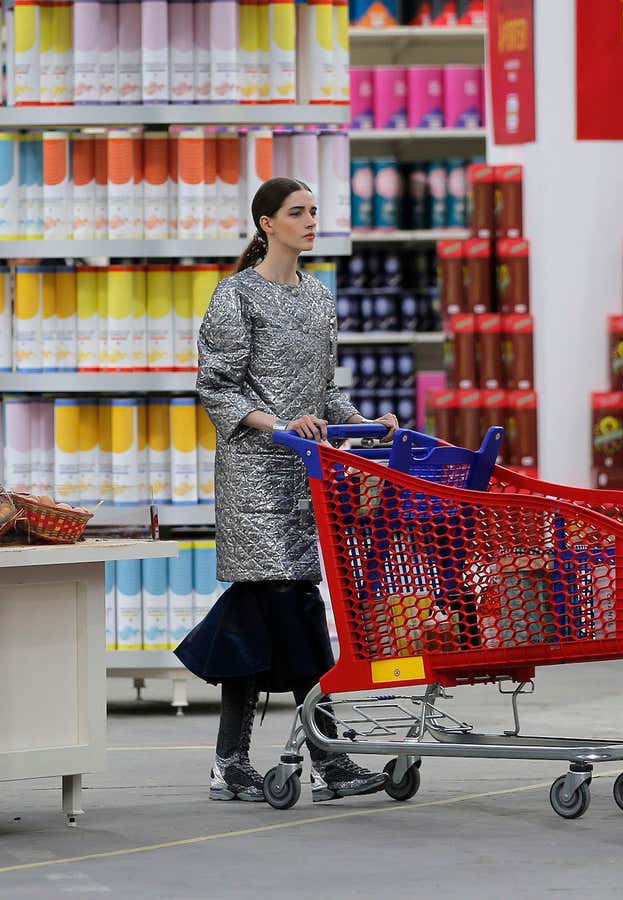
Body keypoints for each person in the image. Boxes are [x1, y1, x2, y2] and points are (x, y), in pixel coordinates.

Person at [176, 177, 399, 804]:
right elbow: (218, 386)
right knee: (295, 608)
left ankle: (230, 763)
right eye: (297, 213)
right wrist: (277, 424)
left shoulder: (319, 298)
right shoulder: (235, 296)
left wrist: (364, 422)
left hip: (310, 481)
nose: (310, 222)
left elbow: (325, 392)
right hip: (255, 480)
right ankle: (330, 761)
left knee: (257, 614)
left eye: (314, 212)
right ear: (267, 224)